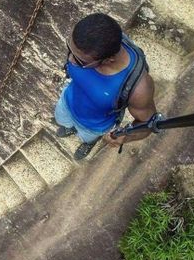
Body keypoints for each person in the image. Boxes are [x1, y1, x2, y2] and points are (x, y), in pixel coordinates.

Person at [54, 13, 157, 160]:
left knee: (87, 137)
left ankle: (88, 143)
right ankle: (68, 127)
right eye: (70, 48)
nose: (70, 60)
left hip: (93, 126)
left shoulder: (138, 88)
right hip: (67, 101)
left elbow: (148, 122)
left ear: (109, 60)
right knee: (62, 120)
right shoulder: (91, 41)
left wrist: (126, 137)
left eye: (79, 60)